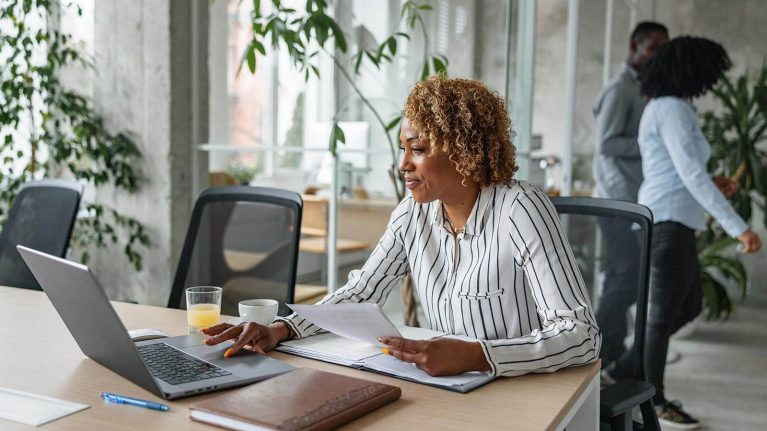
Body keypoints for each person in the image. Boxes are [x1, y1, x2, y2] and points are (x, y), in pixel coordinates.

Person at [202, 76, 601, 378]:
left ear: (464, 151)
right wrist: (281, 329)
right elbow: (361, 291)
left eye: (419, 149)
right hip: (455, 388)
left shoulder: (520, 208)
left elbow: (581, 334)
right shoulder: (413, 213)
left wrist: (479, 355)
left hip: (528, 391)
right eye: (403, 149)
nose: (403, 164)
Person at [608, 36, 762, 429]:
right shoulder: (672, 109)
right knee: (660, 318)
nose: (711, 81)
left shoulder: (673, 108)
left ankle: (626, 368)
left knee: (688, 306)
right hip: (666, 222)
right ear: (691, 71)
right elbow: (689, 173)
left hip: (675, 221)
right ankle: (653, 401)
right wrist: (739, 227)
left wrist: (713, 181)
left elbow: (683, 170)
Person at [592, 21, 668, 370]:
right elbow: (606, 143)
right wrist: (653, 143)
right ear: (634, 47)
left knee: (623, 274)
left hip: (629, 198)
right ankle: (597, 348)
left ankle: (606, 350)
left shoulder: (640, 87)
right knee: (628, 275)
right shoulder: (620, 88)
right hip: (614, 198)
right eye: (653, 48)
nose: (658, 56)